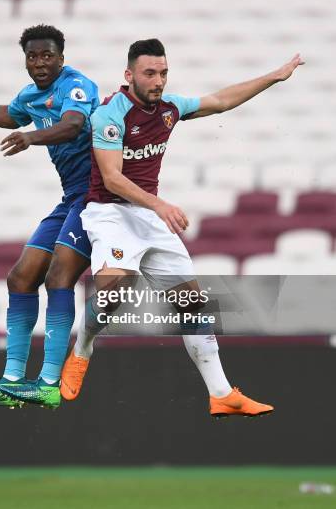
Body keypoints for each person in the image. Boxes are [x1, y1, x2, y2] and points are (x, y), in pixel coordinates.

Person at [60, 38, 303, 417]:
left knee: (194, 303)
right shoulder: (110, 113)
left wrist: (274, 76)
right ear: (129, 75)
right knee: (114, 291)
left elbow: (220, 100)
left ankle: (221, 393)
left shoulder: (170, 109)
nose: (158, 81)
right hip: (110, 212)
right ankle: (82, 348)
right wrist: (161, 204)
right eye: (150, 73)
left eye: (163, 73)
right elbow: (111, 178)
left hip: (148, 217)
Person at [0, 24, 98, 409]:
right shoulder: (31, 96)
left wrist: (32, 138)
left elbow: (73, 125)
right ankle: (11, 380)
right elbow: (11, 116)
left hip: (97, 195)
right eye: (32, 56)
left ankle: (48, 382)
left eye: (47, 56)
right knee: (20, 277)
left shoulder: (77, 86)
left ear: (61, 58)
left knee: (59, 275)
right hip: (70, 198)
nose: (40, 63)